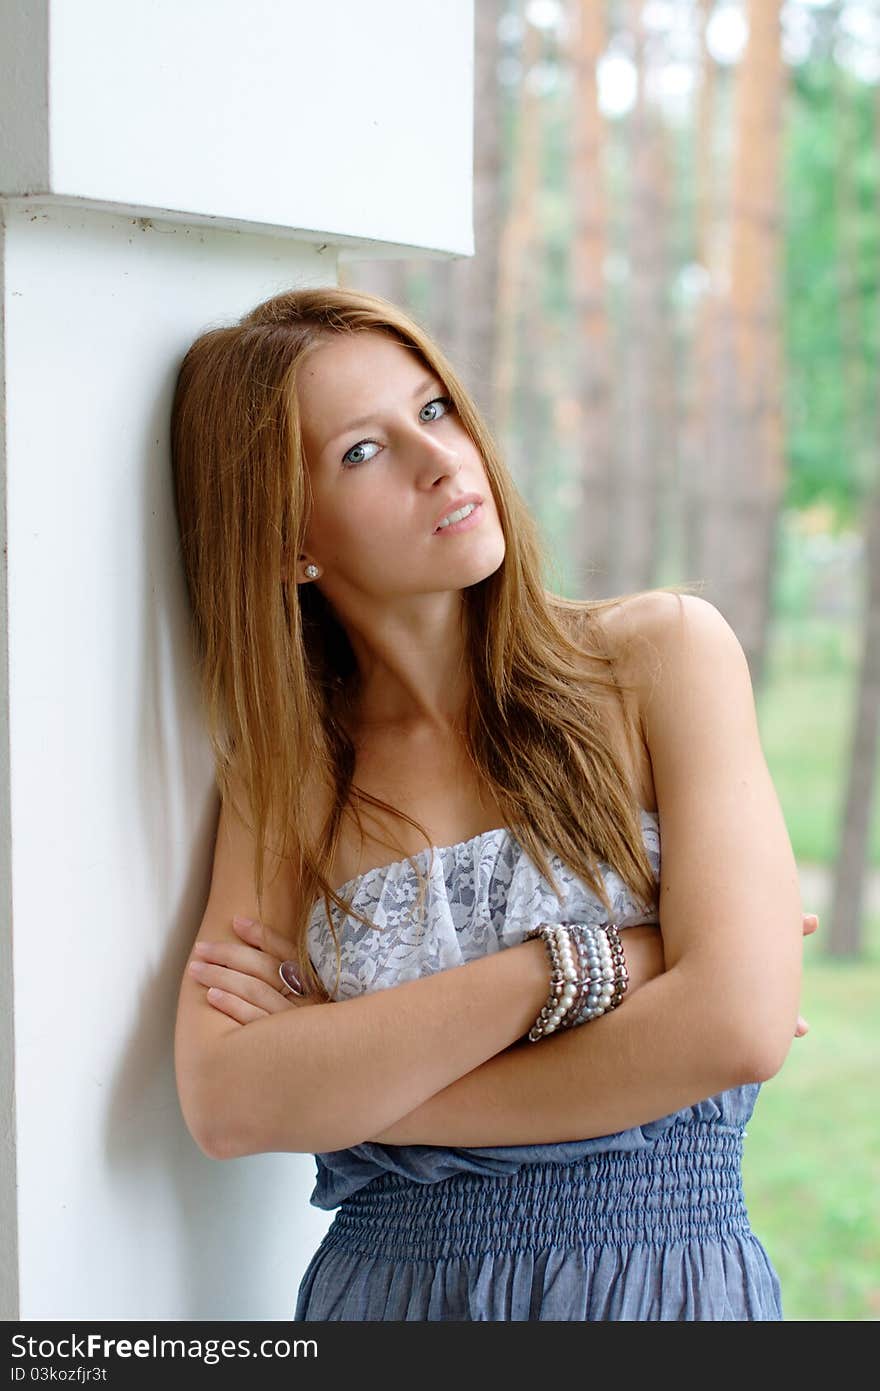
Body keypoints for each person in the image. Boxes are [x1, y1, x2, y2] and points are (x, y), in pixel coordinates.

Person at [171, 285, 814, 1322]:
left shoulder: (660, 657)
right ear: (291, 540)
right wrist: (577, 966)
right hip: (388, 1295)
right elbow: (229, 1101)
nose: (442, 460)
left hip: (659, 1281)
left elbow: (736, 1026)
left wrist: (372, 1100)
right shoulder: (290, 773)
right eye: (361, 452)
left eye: (432, 409)